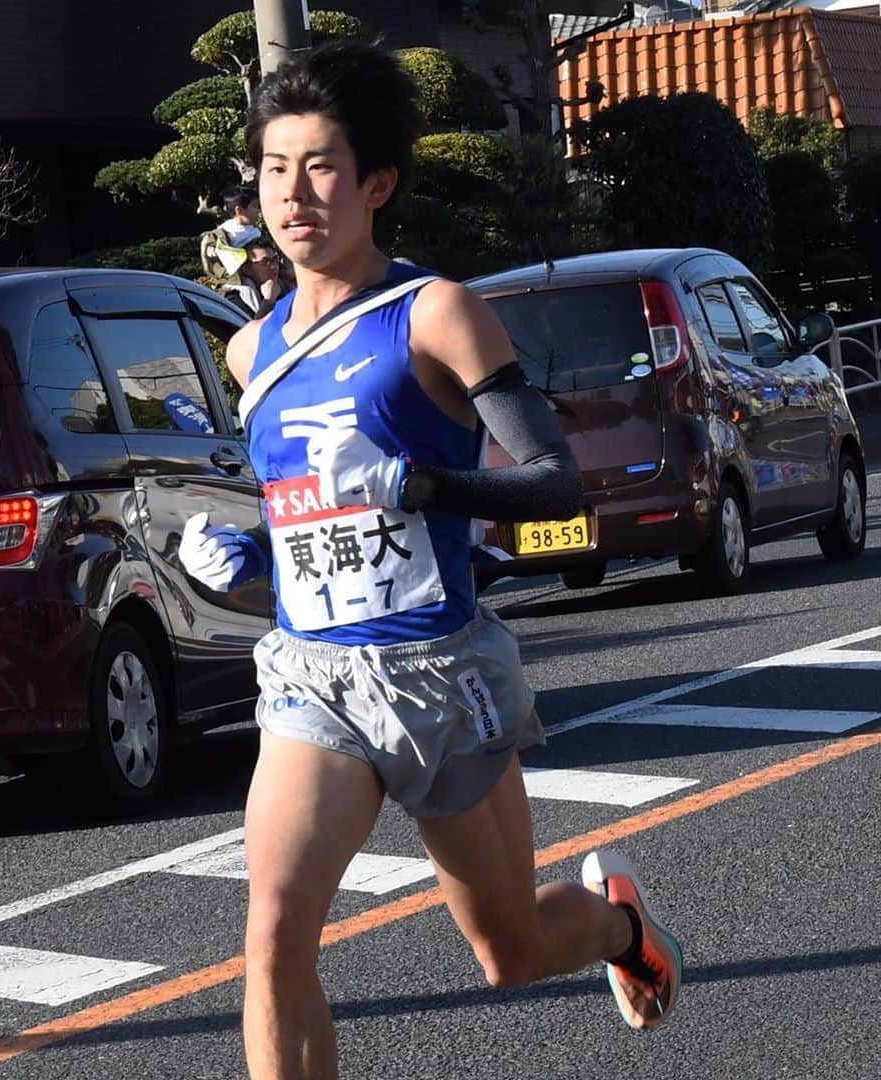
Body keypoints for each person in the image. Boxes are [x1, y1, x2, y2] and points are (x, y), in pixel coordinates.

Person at [178, 39, 681, 1080]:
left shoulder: (435, 313)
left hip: (440, 675)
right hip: (315, 680)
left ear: (377, 182)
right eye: (275, 168)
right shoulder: (249, 355)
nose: (295, 193)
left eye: (321, 166)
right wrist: (250, 558)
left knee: (509, 952)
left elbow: (552, 484)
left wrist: (422, 486)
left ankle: (620, 929)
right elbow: (315, 521)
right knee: (272, 933)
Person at [201, 185, 265, 282]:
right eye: (255, 206)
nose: (258, 211)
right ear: (239, 210)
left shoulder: (258, 232)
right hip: (236, 279)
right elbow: (210, 244)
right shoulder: (224, 232)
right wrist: (210, 248)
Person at [221, 240, 285, 318]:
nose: (273, 267)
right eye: (265, 262)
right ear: (246, 268)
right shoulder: (236, 299)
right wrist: (268, 301)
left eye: (274, 260)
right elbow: (253, 329)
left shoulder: (282, 287)